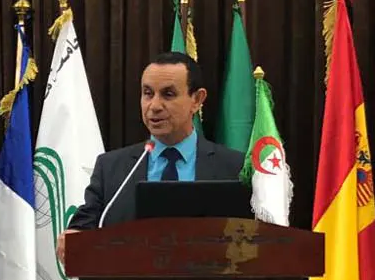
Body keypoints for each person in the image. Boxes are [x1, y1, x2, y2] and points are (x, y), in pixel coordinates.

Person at [57, 51, 244, 258]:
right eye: (148, 93)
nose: (154, 106)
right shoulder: (110, 167)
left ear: (197, 100)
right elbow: (86, 225)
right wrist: (74, 237)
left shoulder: (234, 167)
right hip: (129, 278)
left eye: (168, 94)